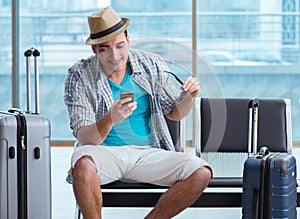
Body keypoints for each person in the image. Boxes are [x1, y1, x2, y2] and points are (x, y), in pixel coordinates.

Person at [64, 6, 212, 219]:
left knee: (201, 172)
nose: (115, 56)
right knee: (82, 165)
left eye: (120, 46)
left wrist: (189, 96)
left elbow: (175, 113)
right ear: (95, 49)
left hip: (148, 153)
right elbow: (85, 138)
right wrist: (110, 119)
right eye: (105, 48)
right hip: (103, 153)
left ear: (128, 39)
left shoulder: (151, 64)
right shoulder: (79, 75)